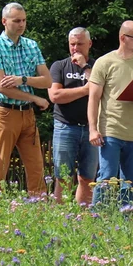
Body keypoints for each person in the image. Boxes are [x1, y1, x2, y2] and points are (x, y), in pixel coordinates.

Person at [87, 21, 133, 206]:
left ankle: (125, 223)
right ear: (122, 38)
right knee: (107, 178)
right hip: (110, 130)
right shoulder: (105, 62)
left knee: (130, 182)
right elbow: (93, 98)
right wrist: (93, 130)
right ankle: (99, 219)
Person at [0, 2, 52, 197]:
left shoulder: (31, 45)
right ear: (4, 21)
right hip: (5, 113)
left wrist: (21, 79)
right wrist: (34, 97)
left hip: (27, 114)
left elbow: (47, 80)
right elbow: (1, 87)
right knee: (0, 166)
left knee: (36, 167)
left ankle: (39, 211)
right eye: (16, 21)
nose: (21, 25)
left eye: (24, 20)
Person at [48, 27, 98, 204]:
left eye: (80, 44)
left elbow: (102, 90)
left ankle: (82, 219)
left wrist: (85, 66)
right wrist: (86, 89)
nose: (75, 48)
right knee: (63, 177)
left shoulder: (97, 66)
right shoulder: (59, 66)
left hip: (91, 129)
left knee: (87, 178)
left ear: (89, 44)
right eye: (72, 44)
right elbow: (55, 96)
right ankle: (61, 217)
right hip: (65, 127)